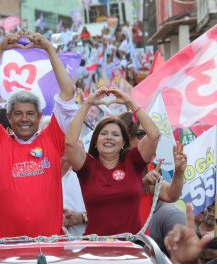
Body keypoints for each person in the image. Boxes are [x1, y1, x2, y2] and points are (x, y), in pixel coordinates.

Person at [0, 32, 78, 239]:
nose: (24, 119)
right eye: (18, 114)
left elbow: (67, 93)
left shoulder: (52, 139)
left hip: (49, 250)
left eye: (30, 114)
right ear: (9, 118)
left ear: (40, 117)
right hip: (6, 252)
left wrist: (49, 49)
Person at [65, 88, 160, 235]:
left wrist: (130, 103)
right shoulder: (87, 167)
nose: (109, 137)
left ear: (123, 142)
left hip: (130, 249)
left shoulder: (133, 161)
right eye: (103, 133)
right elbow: (70, 143)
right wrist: (87, 104)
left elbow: (154, 135)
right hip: (95, 249)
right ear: (95, 141)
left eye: (115, 134)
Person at [119, 111, 187, 254]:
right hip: (116, 247)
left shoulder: (148, 167)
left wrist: (179, 172)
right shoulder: (111, 166)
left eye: (149, 135)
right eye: (141, 135)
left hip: (140, 248)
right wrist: (141, 183)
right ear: (125, 137)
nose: (148, 140)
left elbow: (170, 195)